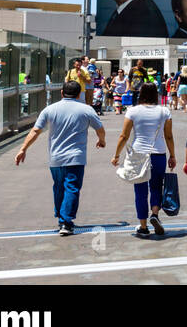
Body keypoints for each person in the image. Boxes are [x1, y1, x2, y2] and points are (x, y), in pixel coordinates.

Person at [15, 80, 106, 235]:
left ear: (62, 93)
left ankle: (61, 217)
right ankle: (66, 222)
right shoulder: (86, 109)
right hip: (76, 157)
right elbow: (100, 129)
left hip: (55, 157)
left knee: (59, 187)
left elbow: (35, 131)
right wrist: (101, 140)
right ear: (79, 94)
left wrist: (23, 149)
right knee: (72, 187)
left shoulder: (50, 109)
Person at [110, 83, 176, 237]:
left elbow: (124, 136)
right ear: (156, 95)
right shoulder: (164, 111)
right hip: (158, 153)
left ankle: (143, 226)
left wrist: (116, 155)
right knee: (156, 187)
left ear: (141, 94)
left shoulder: (132, 111)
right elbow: (168, 136)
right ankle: (155, 214)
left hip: (138, 153)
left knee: (140, 191)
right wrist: (172, 155)